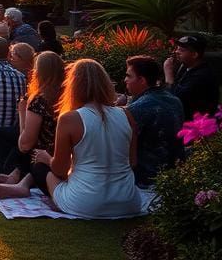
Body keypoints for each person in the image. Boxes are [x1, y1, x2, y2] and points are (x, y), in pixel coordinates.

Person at [31, 59, 144, 218]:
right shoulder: (126, 115)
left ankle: (57, 200)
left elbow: (60, 170)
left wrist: (46, 158)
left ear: (73, 86)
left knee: (39, 168)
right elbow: (132, 162)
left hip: (86, 203)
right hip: (128, 201)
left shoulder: (70, 119)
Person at [0, 50, 65, 189]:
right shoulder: (67, 95)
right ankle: (19, 177)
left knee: (0, 157)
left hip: (45, 157)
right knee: (1, 135)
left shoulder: (40, 99)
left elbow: (25, 144)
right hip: (60, 150)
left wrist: (22, 110)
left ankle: (17, 175)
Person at [120, 55, 185, 186]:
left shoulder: (138, 109)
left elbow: (120, 145)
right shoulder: (173, 99)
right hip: (177, 174)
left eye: (129, 76)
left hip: (148, 181)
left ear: (142, 80)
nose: (125, 80)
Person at [163, 34, 220, 120]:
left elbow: (175, 99)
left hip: (197, 126)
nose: (176, 52)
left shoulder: (202, 75)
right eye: (177, 48)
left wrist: (168, 74)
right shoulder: (186, 67)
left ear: (194, 55)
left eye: (182, 50)